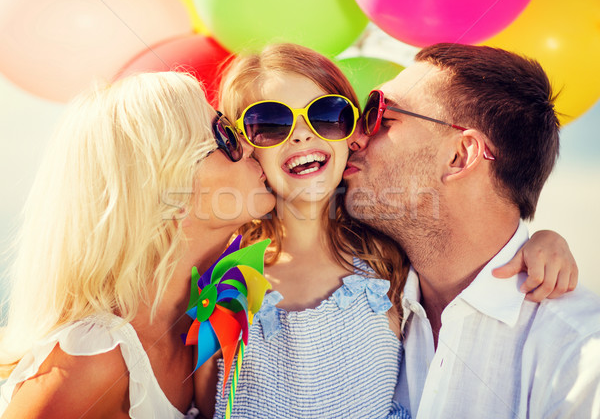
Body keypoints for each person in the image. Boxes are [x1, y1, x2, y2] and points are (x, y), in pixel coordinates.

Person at [197, 43, 579, 419]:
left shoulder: (389, 262)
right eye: (269, 125)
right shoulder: (224, 280)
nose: (300, 135)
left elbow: (464, 239)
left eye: (329, 115)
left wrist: (542, 240)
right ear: (241, 146)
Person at [344, 43, 600, 418]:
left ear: (460, 156)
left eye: (381, 116)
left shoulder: (580, 357)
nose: (354, 137)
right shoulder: (355, 302)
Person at [0, 72, 275, 418]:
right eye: (226, 135)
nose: (250, 145)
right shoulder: (95, 357)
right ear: (170, 189)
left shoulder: (199, 324)